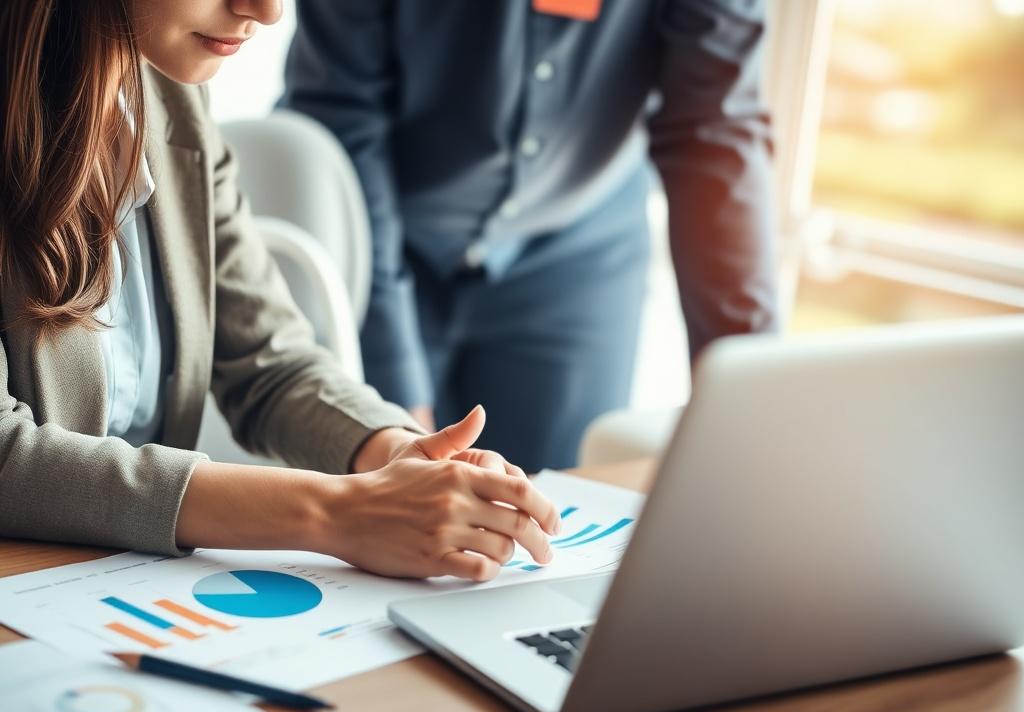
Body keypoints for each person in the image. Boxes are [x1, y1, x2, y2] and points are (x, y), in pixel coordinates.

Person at [0, 0, 560, 583]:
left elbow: (268, 360)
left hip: (114, 580)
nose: (268, 12)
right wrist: (333, 513)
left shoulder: (170, 98)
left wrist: (394, 452)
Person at [281, 0, 779, 473]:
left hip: (577, 251)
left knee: (555, 525)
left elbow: (714, 131)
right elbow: (344, 112)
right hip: (374, 236)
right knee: (369, 502)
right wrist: (390, 381)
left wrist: (749, 392)